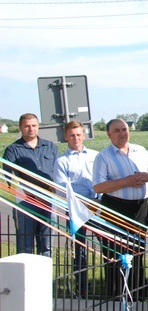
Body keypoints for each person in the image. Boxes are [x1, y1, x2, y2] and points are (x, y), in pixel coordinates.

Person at [93, 118, 148, 299]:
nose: (122, 133)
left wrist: (146, 176)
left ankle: (138, 293)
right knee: (115, 251)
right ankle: (116, 294)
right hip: (116, 208)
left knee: (137, 249)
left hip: (140, 208)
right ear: (109, 134)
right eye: (117, 131)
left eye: (124, 129)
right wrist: (126, 181)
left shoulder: (140, 151)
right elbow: (98, 187)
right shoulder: (104, 157)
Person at [2, 112, 58, 257]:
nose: (31, 129)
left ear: (38, 126)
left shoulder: (50, 147)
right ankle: (25, 279)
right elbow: (9, 181)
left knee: (47, 246)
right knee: (25, 246)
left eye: (34, 125)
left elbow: (57, 175)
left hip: (49, 201)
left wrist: (48, 193)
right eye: (27, 126)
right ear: (20, 127)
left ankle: (45, 279)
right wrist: (32, 195)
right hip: (26, 203)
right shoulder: (12, 150)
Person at [53, 120, 98, 297]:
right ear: (66, 137)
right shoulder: (62, 161)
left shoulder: (95, 156)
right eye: (72, 135)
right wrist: (81, 202)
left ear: (84, 135)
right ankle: (82, 289)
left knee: (107, 245)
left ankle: (112, 287)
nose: (76, 138)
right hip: (76, 209)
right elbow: (62, 188)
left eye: (79, 134)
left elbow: (103, 178)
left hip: (98, 206)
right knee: (79, 249)